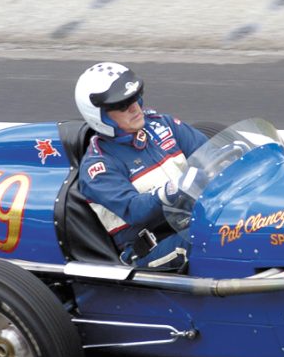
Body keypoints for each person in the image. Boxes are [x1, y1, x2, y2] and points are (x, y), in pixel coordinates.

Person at [74, 62, 209, 270]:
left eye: (134, 98)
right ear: (99, 116)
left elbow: (209, 154)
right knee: (221, 239)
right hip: (152, 248)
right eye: (122, 105)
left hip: (194, 220)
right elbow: (134, 209)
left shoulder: (162, 124)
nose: (135, 107)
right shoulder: (98, 165)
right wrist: (172, 190)